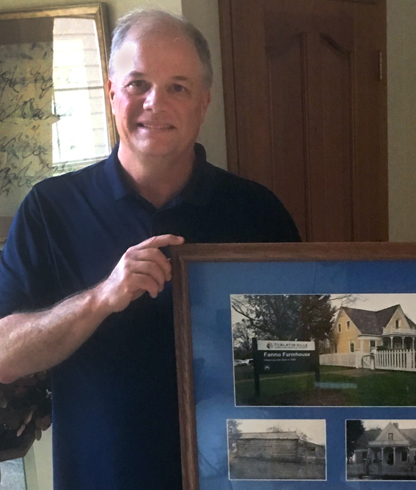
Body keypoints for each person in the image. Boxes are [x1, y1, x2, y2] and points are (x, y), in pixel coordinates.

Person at [0, 8, 299, 489]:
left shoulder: (258, 211)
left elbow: (311, 347)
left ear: (203, 103)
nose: (154, 103)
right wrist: (101, 298)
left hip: (240, 476)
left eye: (177, 87)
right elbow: (5, 353)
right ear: (111, 92)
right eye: (138, 83)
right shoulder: (49, 209)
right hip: (102, 477)